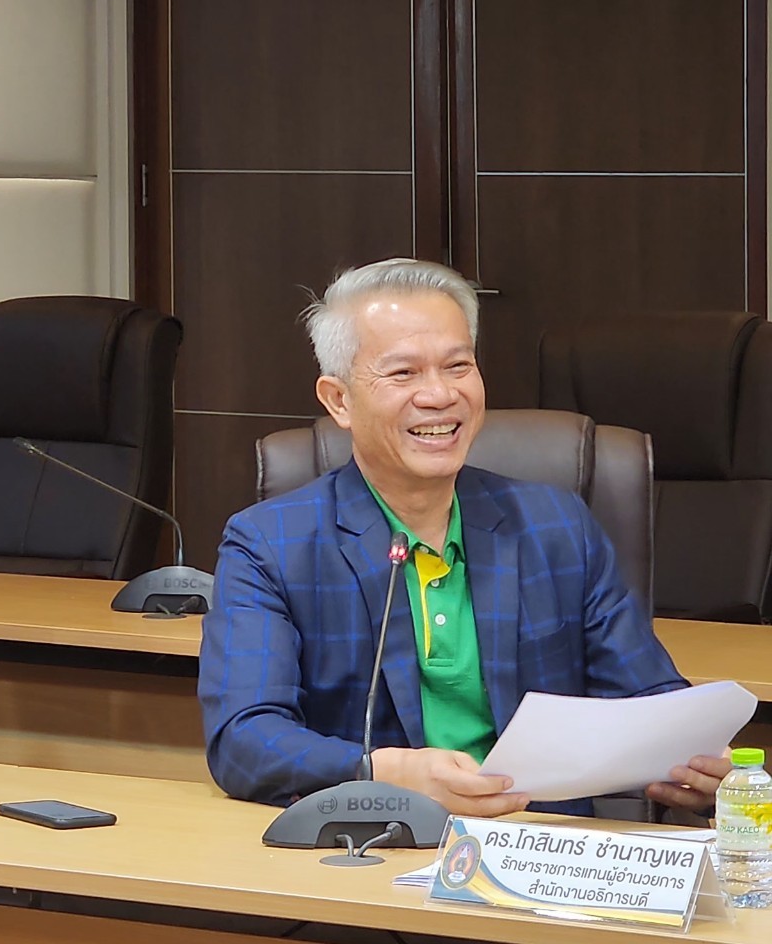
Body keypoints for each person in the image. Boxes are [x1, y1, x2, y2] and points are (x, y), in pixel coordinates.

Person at [198, 258, 730, 819]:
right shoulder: (270, 545)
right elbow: (244, 739)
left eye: (458, 366)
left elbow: (648, 698)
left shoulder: (555, 525)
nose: (439, 395)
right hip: (379, 844)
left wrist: (703, 763)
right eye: (403, 373)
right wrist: (382, 773)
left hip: (541, 847)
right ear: (339, 400)